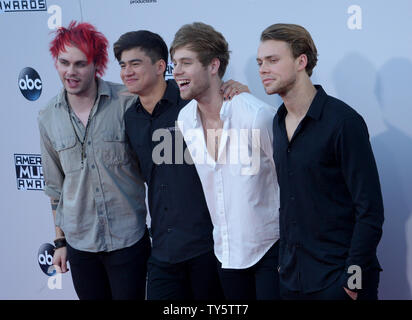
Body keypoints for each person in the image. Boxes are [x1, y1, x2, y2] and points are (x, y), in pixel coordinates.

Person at [113, 30, 246, 300]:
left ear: (161, 66)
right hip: (162, 250)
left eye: (135, 63)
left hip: (207, 248)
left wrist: (238, 91)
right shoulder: (131, 118)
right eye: (123, 65)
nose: (127, 71)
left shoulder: (192, 103)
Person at [257, 23, 384, 300]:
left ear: (301, 61)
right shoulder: (277, 122)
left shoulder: (343, 122)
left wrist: (353, 282)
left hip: (338, 281)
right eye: (260, 62)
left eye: (273, 60)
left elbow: (370, 210)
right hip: (292, 281)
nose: (263, 69)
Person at [38, 21, 150, 300]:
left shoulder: (126, 102)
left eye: (80, 64)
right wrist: (60, 241)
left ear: (96, 65)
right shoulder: (47, 116)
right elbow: (55, 188)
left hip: (128, 241)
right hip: (80, 245)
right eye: (64, 62)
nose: (70, 72)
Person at [171, 22, 281, 300]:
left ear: (213, 65)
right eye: (175, 63)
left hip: (272, 251)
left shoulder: (256, 116)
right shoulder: (184, 120)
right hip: (225, 254)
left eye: (186, 62)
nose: (177, 71)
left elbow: (290, 183)